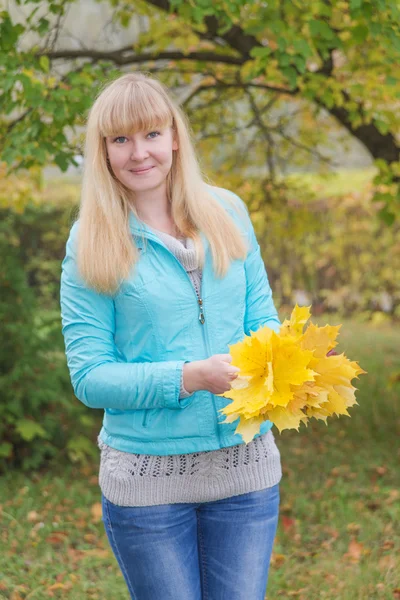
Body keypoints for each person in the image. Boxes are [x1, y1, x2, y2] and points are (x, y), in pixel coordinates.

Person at [60, 72, 282, 600]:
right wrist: (189, 378)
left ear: (175, 137)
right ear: (103, 151)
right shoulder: (91, 240)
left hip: (245, 470)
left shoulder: (228, 212)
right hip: (147, 486)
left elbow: (264, 321)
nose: (140, 153)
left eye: (152, 134)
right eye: (121, 139)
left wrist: (280, 362)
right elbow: (91, 376)